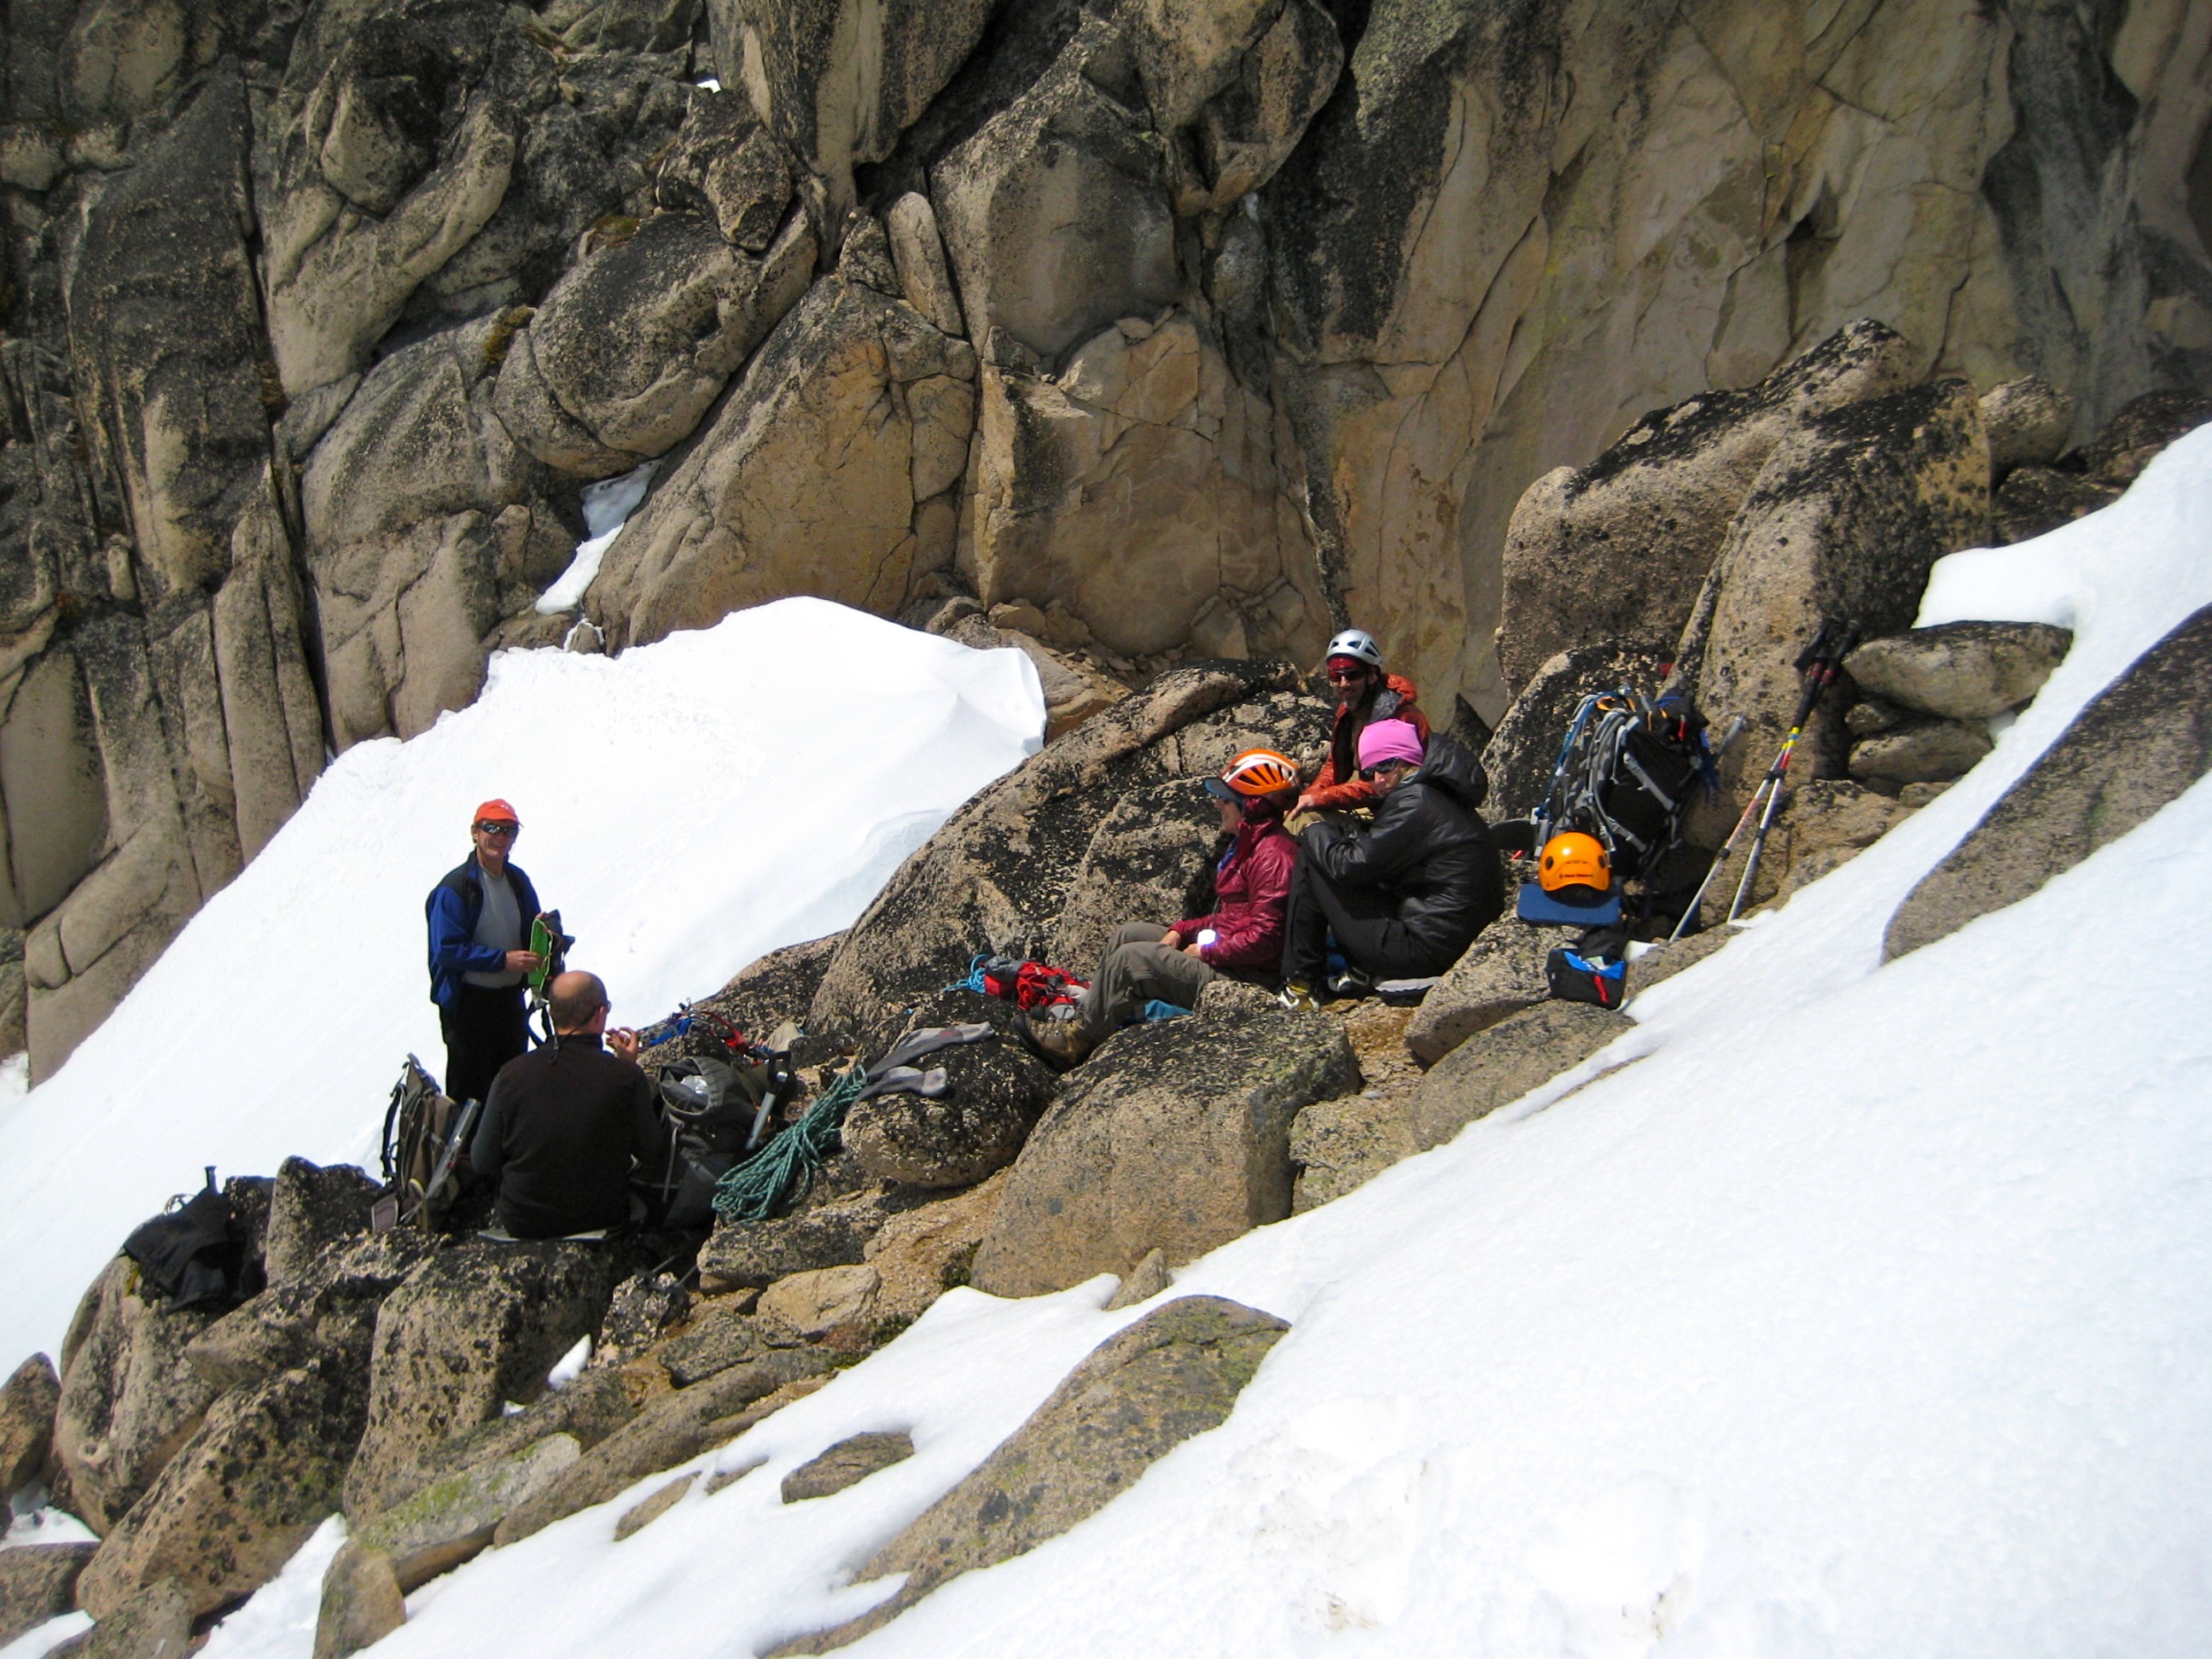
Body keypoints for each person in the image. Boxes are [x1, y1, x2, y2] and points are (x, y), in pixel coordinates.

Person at [1020, 748, 1304, 1069]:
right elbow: (1234, 918)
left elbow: (1267, 939)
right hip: (1232, 959)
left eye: (1225, 798)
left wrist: (1207, 952)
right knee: (1130, 934)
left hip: (1248, 978)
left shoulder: (1274, 857)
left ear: (1250, 805)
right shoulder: (1251, 846)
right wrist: (1181, 930)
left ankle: (1075, 1042)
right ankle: (1092, 1013)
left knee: (1132, 959)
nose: (1217, 804)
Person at [1280, 718, 1499, 1006]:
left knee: (1315, 856)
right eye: (1369, 772)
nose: (1378, 780)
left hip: (1425, 951)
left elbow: (1349, 867)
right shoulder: (1436, 794)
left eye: (1385, 766)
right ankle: (1348, 972)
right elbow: (1381, 856)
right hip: (1452, 938)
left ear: (1408, 760)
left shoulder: (1415, 802)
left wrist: (1314, 830)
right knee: (1328, 849)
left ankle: (1300, 983)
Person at [469, 969, 671, 1239]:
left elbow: (482, 1160)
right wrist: (627, 1068)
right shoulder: (624, 1076)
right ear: (600, 1013)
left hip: (522, 1220)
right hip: (603, 1215)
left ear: (552, 1014)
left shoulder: (510, 1074)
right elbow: (651, 1149)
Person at [426, 800, 548, 1107]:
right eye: (492, 828)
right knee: (470, 1093)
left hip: (509, 1001)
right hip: (468, 1006)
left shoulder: (517, 880)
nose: (501, 837)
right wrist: (503, 960)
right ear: (475, 833)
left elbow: (532, 928)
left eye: (509, 830)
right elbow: (447, 949)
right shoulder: (455, 888)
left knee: (511, 1087)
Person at [1295, 628, 1431, 816]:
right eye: (1336, 676)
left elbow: (1383, 785)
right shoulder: (1350, 711)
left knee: (1310, 819)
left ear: (1372, 675)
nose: (1344, 683)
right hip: (1380, 806)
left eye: (1352, 675)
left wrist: (1319, 799)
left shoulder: (1397, 717)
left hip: (1403, 810)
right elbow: (1336, 763)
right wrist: (1311, 795)